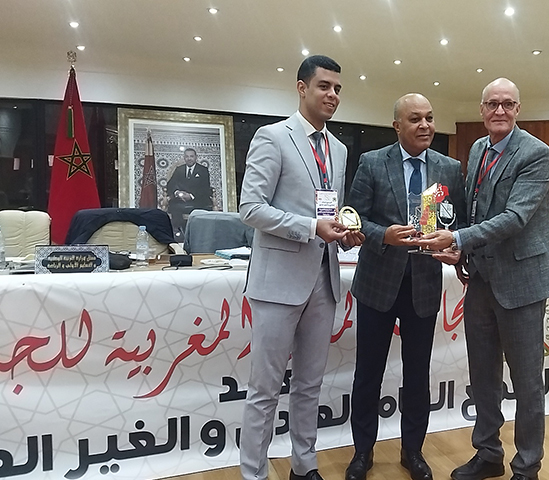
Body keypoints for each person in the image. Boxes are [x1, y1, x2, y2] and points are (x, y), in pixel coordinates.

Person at [420, 78, 549, 480]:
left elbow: (515, 218)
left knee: (527, 382)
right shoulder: (478, 149)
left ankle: (527, 466)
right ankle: (489, 454)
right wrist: (461, 248)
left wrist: (459, 237)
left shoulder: (536, 153)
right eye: (492, 104)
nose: (500, 111)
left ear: (518, 109)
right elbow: (476, 211)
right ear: (481, 109)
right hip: (480, 279)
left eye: (508, 104)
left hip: (521, 284)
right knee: (482, 374)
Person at [239, 55, 364, 480]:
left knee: (309, 387)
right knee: (264, 391)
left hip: (324, 281)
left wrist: (343, 232)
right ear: (301, 88)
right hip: (277, 283)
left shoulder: (340, 149)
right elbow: (251, 208)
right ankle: (253, 474)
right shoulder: (273, 137)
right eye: (324, 86)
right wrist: (312, 227)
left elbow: (330, 211)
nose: (332, 95)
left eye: (338, 89)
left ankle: (304, 467)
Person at [344, 93, 466, 480]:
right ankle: (362, 453)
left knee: (417, 375)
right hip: (378, 283)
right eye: (415, 119)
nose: (425, 125)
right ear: (397, 126)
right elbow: (354, 218)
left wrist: (452, 241)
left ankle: (413, 451)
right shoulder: (372, 162)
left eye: (430, 118)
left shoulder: (449, 169)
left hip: (424, 285)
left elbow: (457, 222)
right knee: (368, 373)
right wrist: (385, 236)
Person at [166, 148, 213, 233]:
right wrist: (177, 193)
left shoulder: (203, 170)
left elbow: (205, 188)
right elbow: (171, 184)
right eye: (187, 156)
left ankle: (199, 232)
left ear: (196, 157)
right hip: (181, 200)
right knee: (173, 206)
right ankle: (179, 232)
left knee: (202, 208)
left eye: (191, 156)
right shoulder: (179, 169)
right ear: (184, 158)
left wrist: (191, 196)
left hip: (197, 200)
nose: (189, 158)